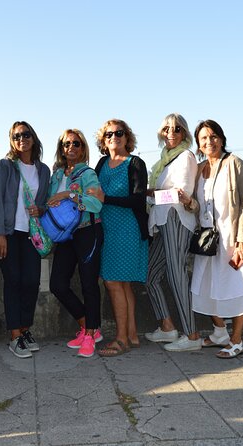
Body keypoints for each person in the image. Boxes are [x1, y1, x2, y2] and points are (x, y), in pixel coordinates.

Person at [179, 119, 243, 358]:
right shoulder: (200, 169)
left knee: (240, 286)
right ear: (198, 143)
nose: (210, 141)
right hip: (209, 239)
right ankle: (220, 332)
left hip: (232, 237)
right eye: (204, 138)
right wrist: (188, 203)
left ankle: (236, 340)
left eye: (214, 136)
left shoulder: (235, 164)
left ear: (222, 138)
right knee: (204, 286)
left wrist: (242, 241)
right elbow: (200, 206)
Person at [0, 121, 51, 359]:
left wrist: (41, 209)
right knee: (13, 281)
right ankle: (14, 336)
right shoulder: (6, 166)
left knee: (32, 282)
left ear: (33, 137)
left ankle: (24, 329)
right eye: (16, 136)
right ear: (11, 141)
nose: (21, 139)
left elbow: (44, 201)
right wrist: (0, 234)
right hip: (9, 232)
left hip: (31, 233)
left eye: (25, 134)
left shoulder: (43, 170)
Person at [144, 113, 201, 351]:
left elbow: (182, 194)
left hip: (176, 219)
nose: (171, 133)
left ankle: (192, 335)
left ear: (184, 133)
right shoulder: (164, 161)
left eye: (177, 129)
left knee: (177, 275)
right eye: (166, 129)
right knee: (150, 276)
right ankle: (168, 328)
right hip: (161, 221)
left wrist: (148, 193)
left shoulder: (186, 157)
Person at [93, 119, 148, 357]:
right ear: (103, 141)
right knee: (122, 284)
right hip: (108, 229)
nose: (114, 136)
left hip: (128, 230)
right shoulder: (102, 163)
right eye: (109, 134)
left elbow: (138, 199)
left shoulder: (135, 163)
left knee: (113, 282)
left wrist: (107, 199)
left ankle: (121, 339)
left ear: (127, 138)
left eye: (119, 133)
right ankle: (132, 335)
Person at [48, 129, 104, 358]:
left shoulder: (87, 174)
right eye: (66, 144)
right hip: (66, 235)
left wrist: (68, 196)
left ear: (83, 148)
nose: (71, 147)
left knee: (89, 283)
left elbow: (96, 203)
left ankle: (90, 334)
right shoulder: (57, 174)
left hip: (87, 231)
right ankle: (89, 325)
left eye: (76, 144)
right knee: (58, 284)